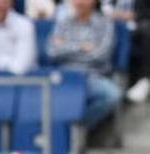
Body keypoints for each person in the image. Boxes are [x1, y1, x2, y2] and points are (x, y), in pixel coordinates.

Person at [47, 0, 119, 129]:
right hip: (65, 76)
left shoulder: (105, 23)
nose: (80, 2)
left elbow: (100, 55)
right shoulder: (64, 22)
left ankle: (77, 127)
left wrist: (66, 46)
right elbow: (52, 52)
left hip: (91, 76)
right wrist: (82, 46)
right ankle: (64, 131)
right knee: (36, 96)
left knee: (112, 95)